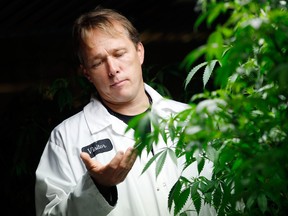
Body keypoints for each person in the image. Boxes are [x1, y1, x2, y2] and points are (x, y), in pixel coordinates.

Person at [35, 6, 215, 216]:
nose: (112, 69)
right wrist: (98, 187)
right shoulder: (66, 138)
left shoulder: (193, 120)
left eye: (119, 54)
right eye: (98, 62)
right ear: (87, 74)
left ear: (139, 52)